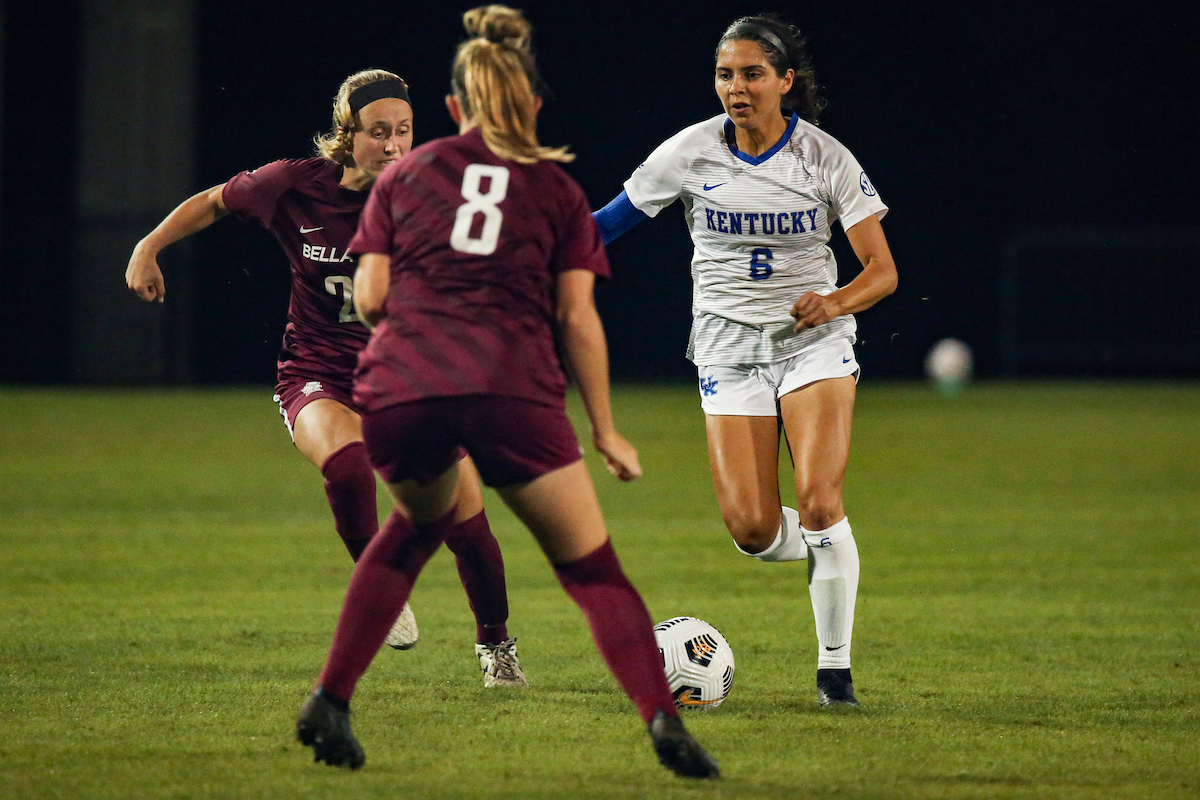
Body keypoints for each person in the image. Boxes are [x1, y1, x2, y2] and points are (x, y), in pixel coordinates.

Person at [294, 6, 719, 779]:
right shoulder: (554, 191)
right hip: (508, 391)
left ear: (451, 110)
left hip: (404, 390)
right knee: (591, 570)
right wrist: (605, 427)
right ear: (530, 105)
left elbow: (376, 296)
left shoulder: (405, 176)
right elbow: (577, 318)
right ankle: (665, 723)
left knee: (410, 534)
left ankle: (332, 697)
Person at [125, 69, 526, 687]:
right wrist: (147, 247)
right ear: (346, 134)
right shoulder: (293, 185)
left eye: (404, 131)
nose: (393, 145)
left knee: (468, 527)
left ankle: (497, 648)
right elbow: (211, 202)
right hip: (317, 371)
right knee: (347, 465)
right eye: (377, 133)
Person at [593, 14, 898, 708]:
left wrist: (836, 301)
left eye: (753, 73)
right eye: (726, 74)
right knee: (754, 530)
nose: (737, 87)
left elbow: (882, 271)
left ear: (786, 82)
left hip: (812, 344)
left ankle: (834, 673)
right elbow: (605, 226)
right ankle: (832, 550)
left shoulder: (825, 158)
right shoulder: (689, 152)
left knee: (820, 499)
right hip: (728, 346)